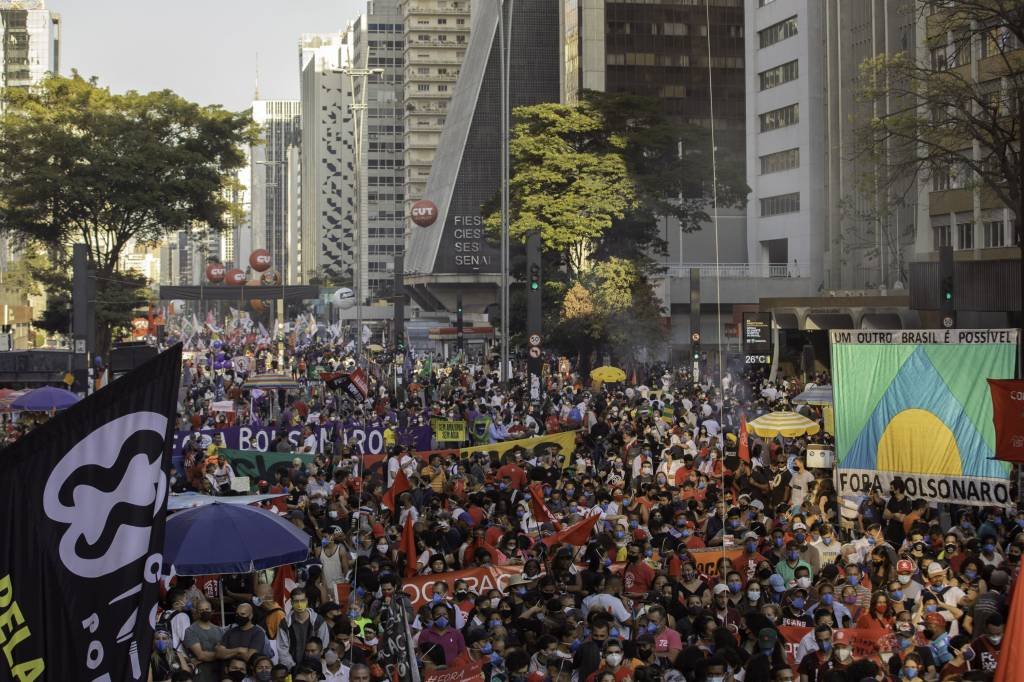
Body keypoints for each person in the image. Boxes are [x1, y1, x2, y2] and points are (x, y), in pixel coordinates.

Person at [276, 588, 330, 670]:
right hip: (292, 668)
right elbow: (282, 649)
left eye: (302, 600)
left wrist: (313, 665)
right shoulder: (284, 623)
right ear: (291, 602)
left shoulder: (318, 621)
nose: (299, 604)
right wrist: (293, 667)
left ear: (307, 601)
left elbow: (323, 645)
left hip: (314, 666)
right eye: (296, 601)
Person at [182, 600, 223, 682]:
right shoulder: (190, 630)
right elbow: (201, 655)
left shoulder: (219, 630)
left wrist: (221, 654)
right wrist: (221, 655)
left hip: (219, 672)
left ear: (212, 611)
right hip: (201, 674)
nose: (205, 612)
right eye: (201, 610)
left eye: (207, 609)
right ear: (197, 612)